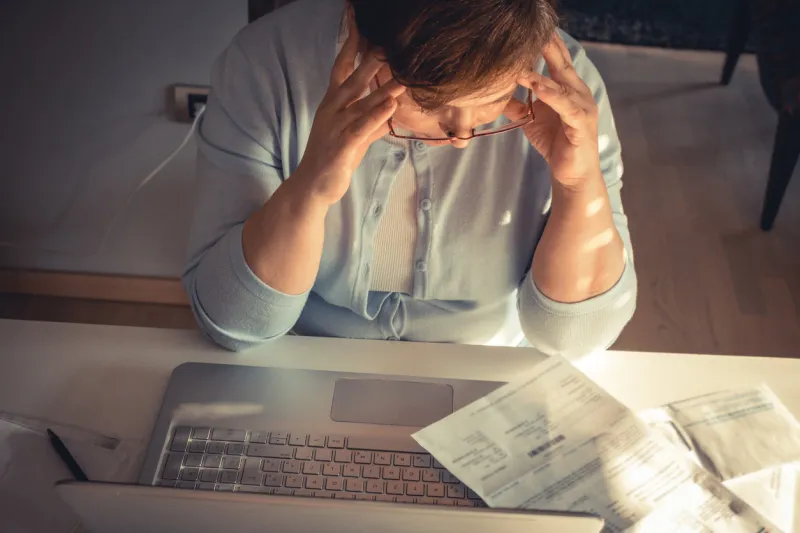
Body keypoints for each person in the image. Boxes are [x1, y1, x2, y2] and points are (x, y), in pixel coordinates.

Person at [183, 0, 637, 356]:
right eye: (429, 102)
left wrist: (579, 187)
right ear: (359, 35)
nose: (463, 135)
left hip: (487, 369)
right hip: (302, 358)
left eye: (492, 99)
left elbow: (576, 339)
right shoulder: (267, 63)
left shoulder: (563, 90)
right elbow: (234, 322)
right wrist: (311, 188)